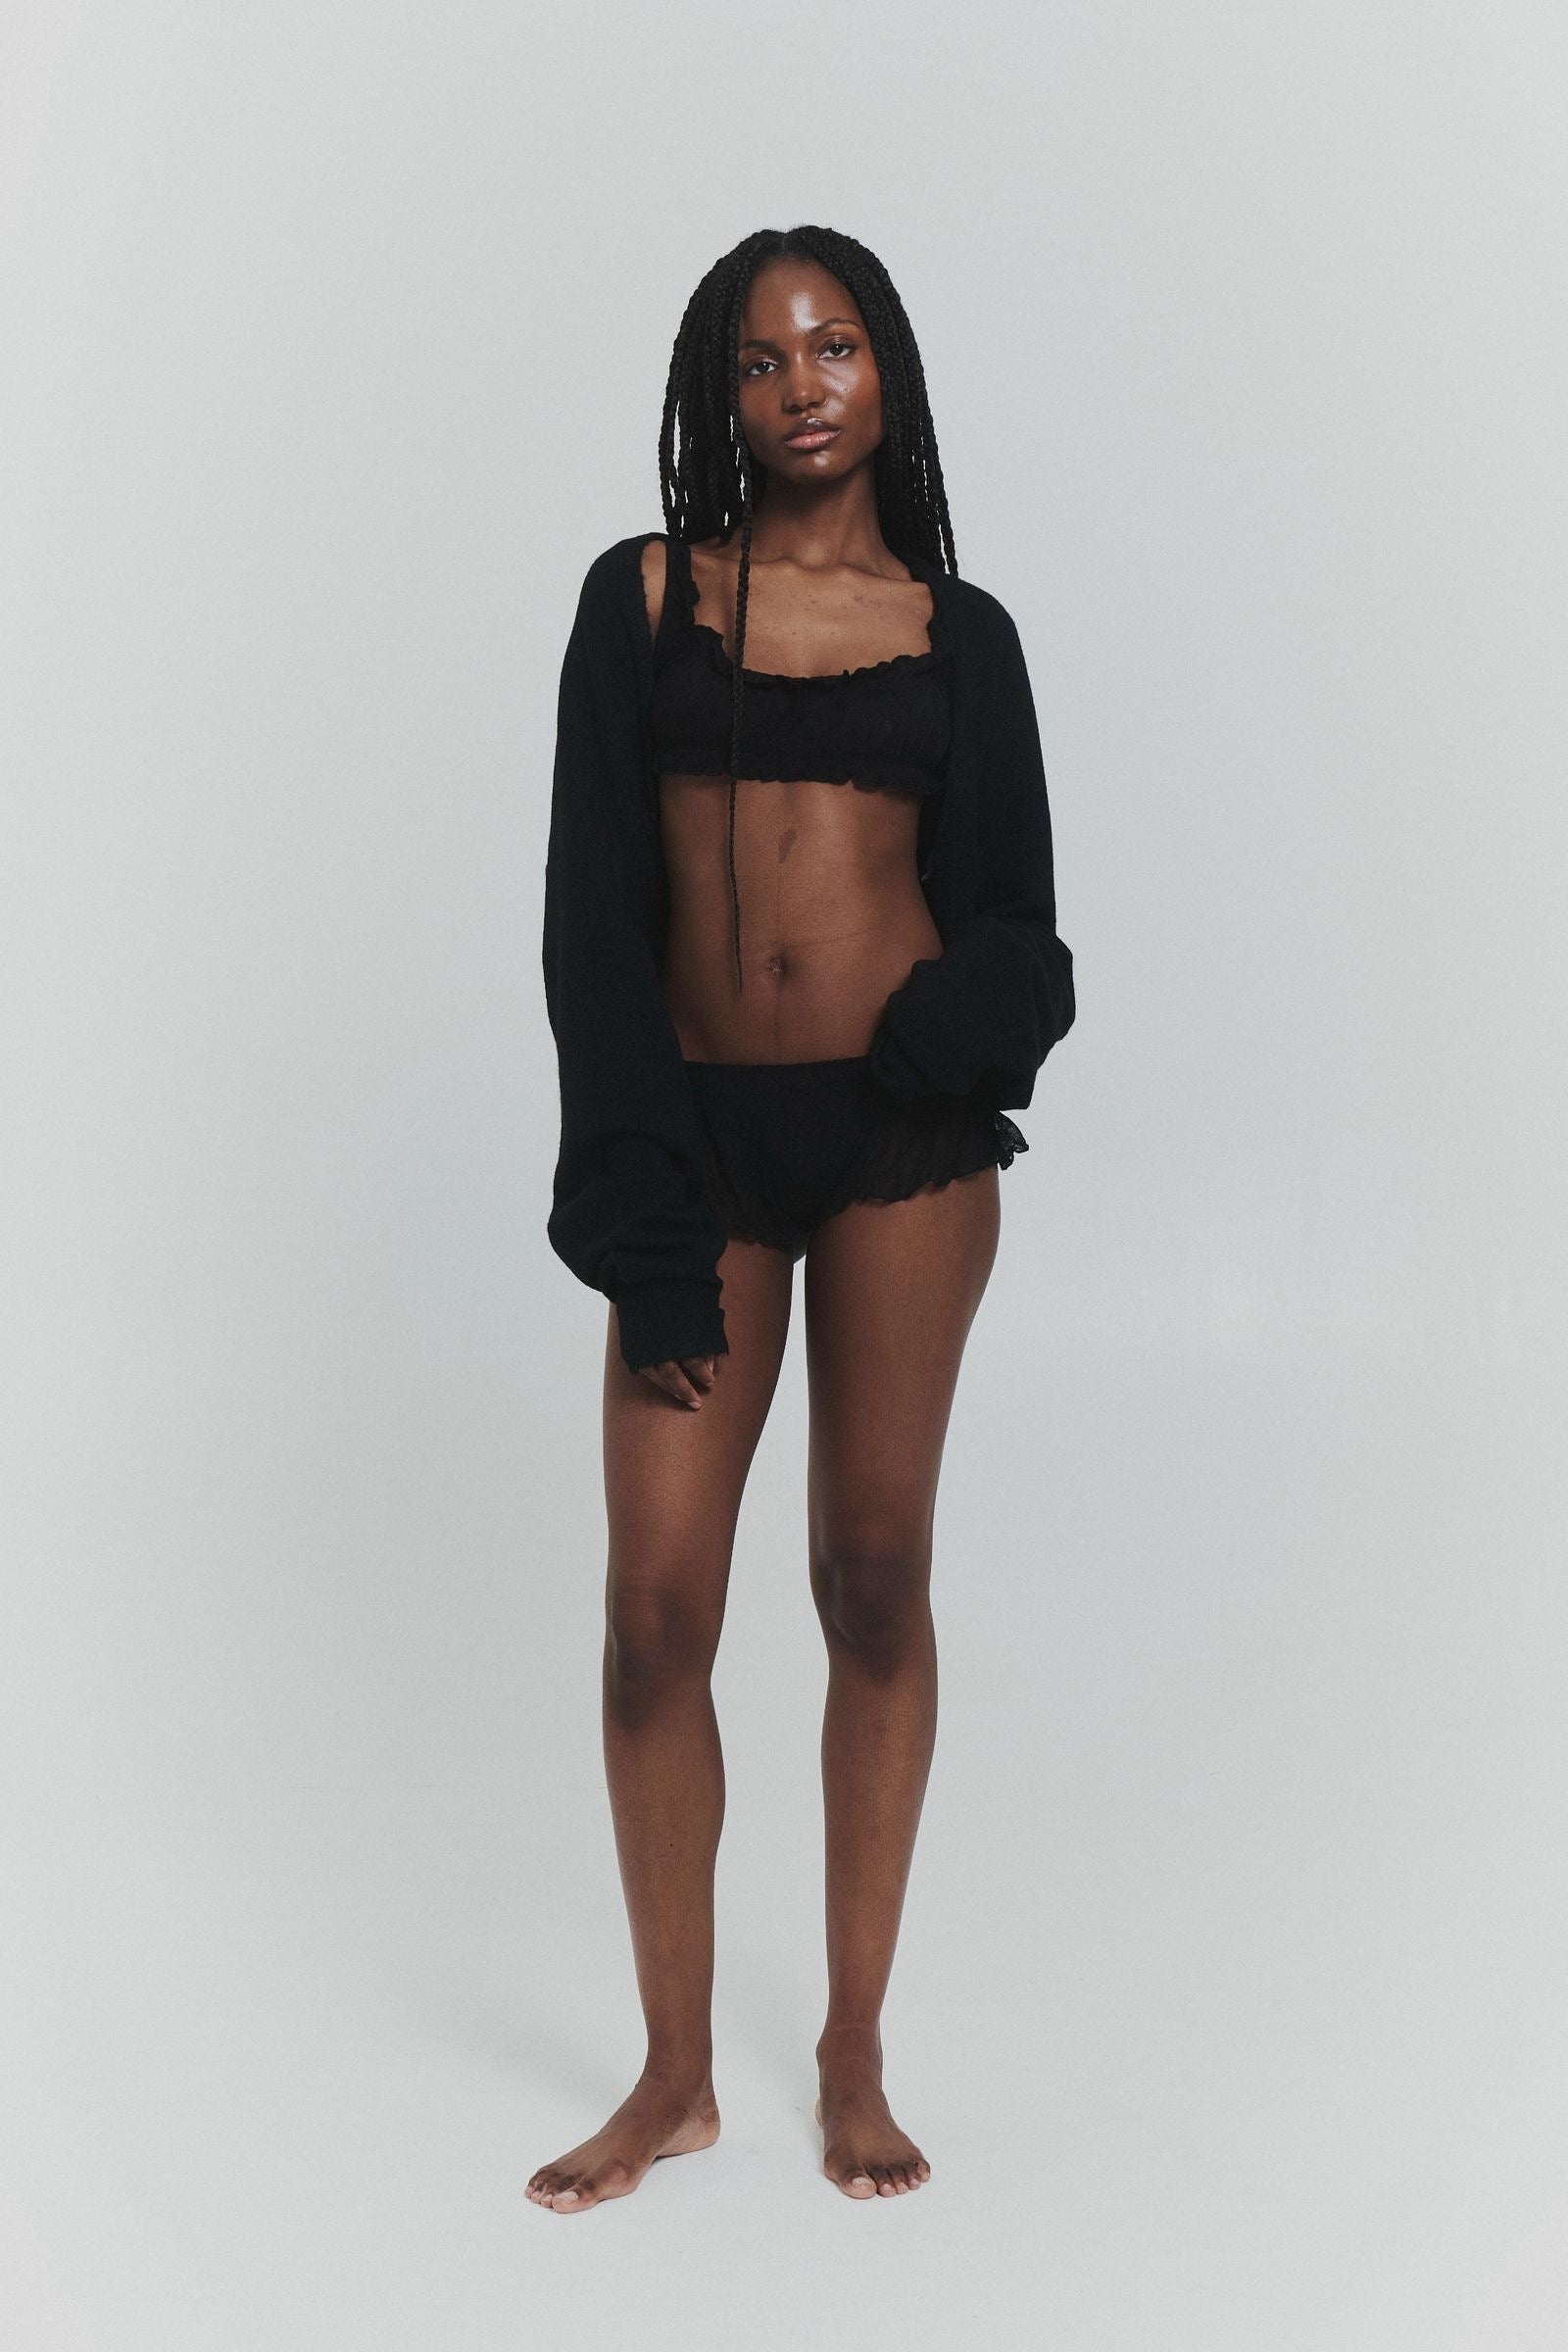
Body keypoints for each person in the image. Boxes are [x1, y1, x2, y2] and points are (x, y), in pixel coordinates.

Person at [530, 224, 1076, 2212]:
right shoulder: (644, 599)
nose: (801, 385)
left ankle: (851, 2049)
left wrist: (936, 1037)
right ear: (721, 397)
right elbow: (592, 924)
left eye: (834, 345)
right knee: (653, 1616)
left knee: (868, 1576)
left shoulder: (958, 633)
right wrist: (633, 1191)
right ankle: (674, 2075)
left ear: (887, 372)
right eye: (761, 360)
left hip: (897, 1152)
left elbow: (1018, 926)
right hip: (695, 1148)